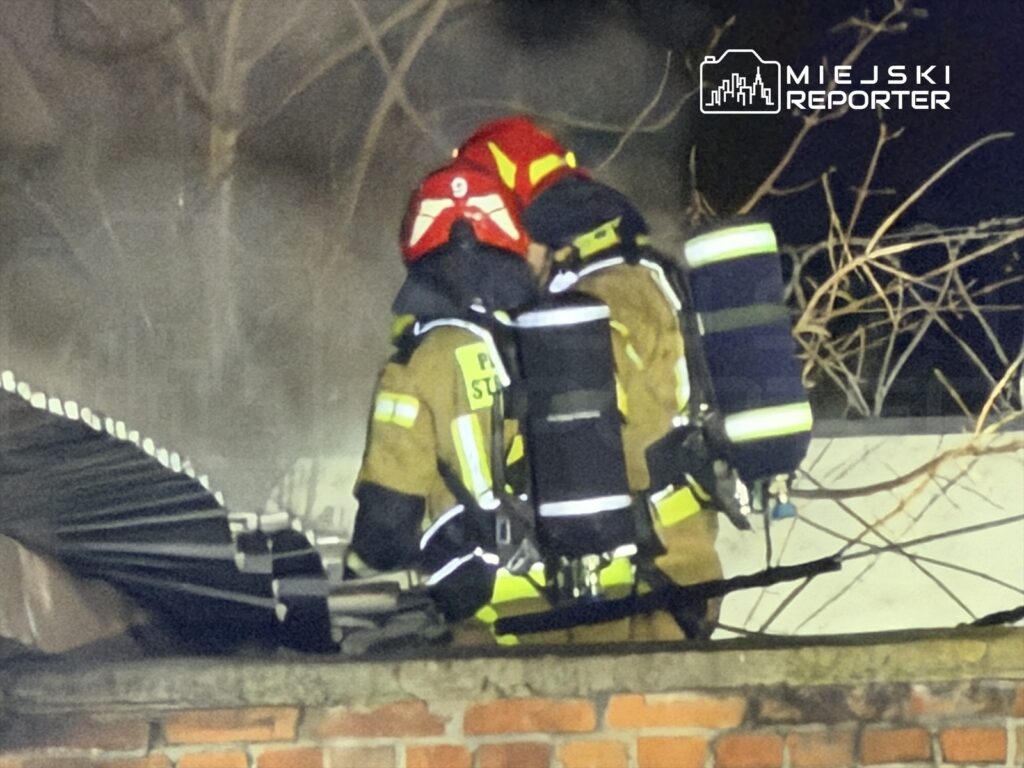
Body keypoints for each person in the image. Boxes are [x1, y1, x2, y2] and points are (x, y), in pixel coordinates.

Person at [456, 116, 725, 639]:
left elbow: (594, 436)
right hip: (619, 594)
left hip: (629, 599)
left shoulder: (603, 299)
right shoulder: (618, 283)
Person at [347, 161, 543, 632]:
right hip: (572, 593)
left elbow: (387, 526)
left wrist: (354, 574)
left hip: (482, 612)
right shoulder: (538, 342)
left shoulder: (421, 361)